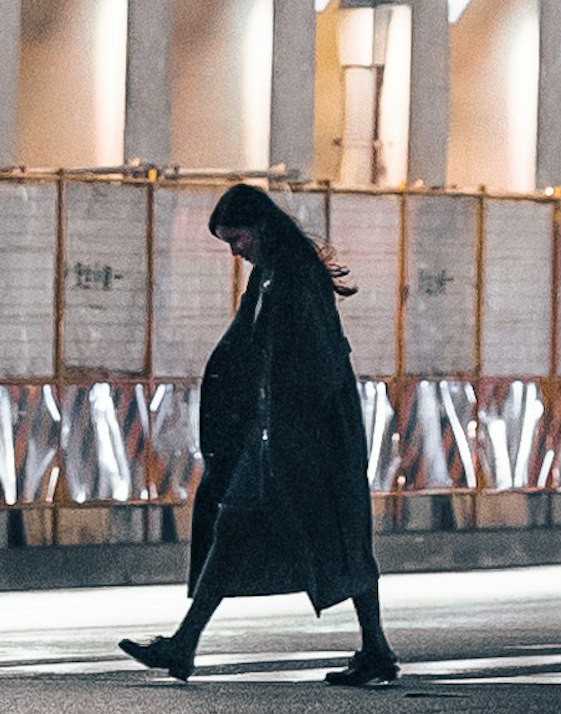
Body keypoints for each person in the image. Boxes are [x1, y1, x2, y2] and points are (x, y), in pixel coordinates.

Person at [125, 182, 397, 685]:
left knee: (340, 536)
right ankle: (184, 645)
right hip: (279, 433)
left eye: (238, 240)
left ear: (262, 227)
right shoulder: (271, 274)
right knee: (239, 527)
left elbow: (314, 362)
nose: (235, 251)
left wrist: (290, 430)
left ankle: (375, 648)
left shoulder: (294, 276)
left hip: (310, 436)